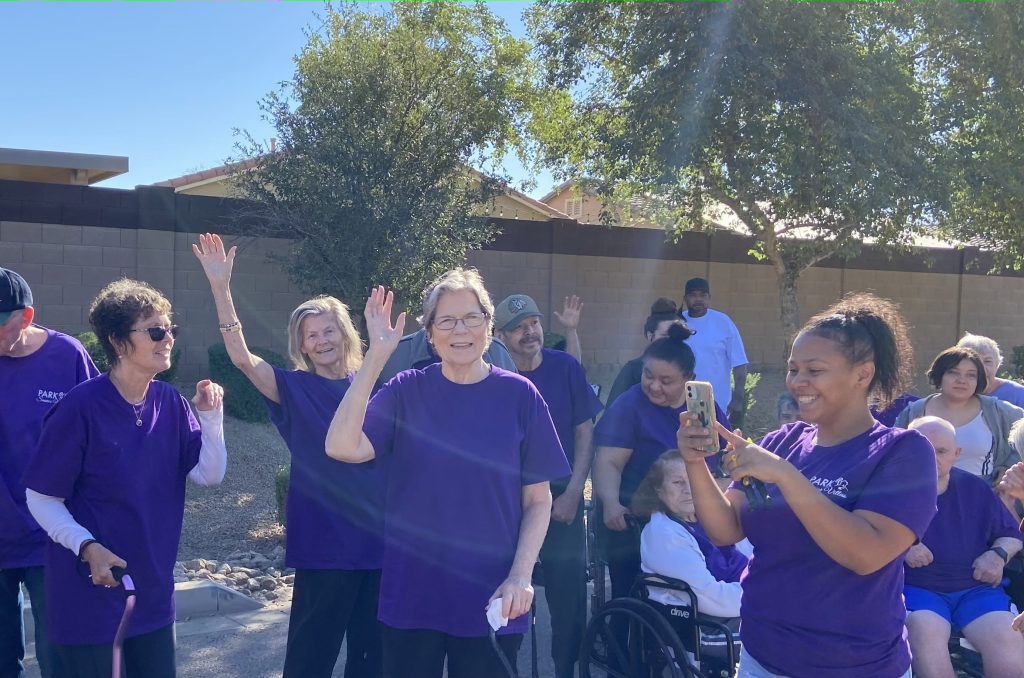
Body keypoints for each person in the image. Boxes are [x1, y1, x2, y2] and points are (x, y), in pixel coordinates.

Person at [325, 270, 570, 678]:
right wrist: (375, 358)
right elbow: (341, 446)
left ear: (489, 327)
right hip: (413, 594)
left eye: (472, 318)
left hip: (494, 595)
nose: (461, 330)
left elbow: (538, 499)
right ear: (431, 334)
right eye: (447, 321)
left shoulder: (519, 396)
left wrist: (521, 576)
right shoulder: (406, 390)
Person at [679, 292, 937, 678]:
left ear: (862, 374)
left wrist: (786, 476)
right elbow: (724, 531)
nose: (798, 382)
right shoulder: (781, 442)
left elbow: (866, 554)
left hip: (856, 666)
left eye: (814, 371)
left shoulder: (903, 452)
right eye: (793, 369)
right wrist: (695, 461)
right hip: (761, 658)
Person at [193, 233, 383, 678]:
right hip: (325, 548)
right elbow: (240, 357)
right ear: (302, 345)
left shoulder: (372, 386)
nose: (321, 341)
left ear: (345, 333)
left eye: (328, 330)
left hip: (379, 547)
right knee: (309, 660)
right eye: (311, 335)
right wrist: (221, 288)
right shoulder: (292, 388)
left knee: (374, 661)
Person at [22, 279, 227, 678]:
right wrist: (87, 547)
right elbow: (41, 497)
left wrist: (211, 417)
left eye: (170, 329)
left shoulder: (171, 402)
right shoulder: (79, 409)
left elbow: (209, 474)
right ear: (118, 342)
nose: (167, 338)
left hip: (152, 595)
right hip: (89, 598)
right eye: (155, 330)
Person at [493, 293, 603, 678]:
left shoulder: (566, 368)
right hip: (507, 508)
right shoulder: (493, 375)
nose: (529, 332)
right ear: (500, 336)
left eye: (534, 323)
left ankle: (567, 671)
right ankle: (505, 669)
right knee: (508, 597)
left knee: (568, 600)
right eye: (518, 328)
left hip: (561, 502)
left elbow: (585, 433)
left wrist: (575, 492)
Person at [0, 267, 99, 678]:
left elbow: (100, 434)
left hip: (54, 538)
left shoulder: (67, 356)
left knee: (63, 659)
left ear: (24, 318)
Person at [594, 323, 729, 598]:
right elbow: (608, 462)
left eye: (666, 381)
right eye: (648, 375)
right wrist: (610, 503)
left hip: (697, 518)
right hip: (641, 520)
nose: (654, 386)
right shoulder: (629, 405)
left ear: (688, 378)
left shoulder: (703, 406)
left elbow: (724, 459)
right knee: (632, 595)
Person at [902, 416, 1024, 678]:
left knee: (1008, 634)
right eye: (922, 448)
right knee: (923, 631)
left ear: (957, 454)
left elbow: (1011, 535)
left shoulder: (975, 488)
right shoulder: (887, 488)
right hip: (917, 589)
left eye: (941, 451)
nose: (931, 457)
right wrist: (900, 547)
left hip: (976, 590)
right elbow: (861, 536)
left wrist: (997, 555)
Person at [632, 450, 750, 625]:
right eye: (678, 482)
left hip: (744, 600)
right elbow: (709, 597)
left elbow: (752, 556)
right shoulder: (663, 534)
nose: (688, 489)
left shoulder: (711, 519)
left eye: (693, 481)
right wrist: (762, 596)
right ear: (659, 490)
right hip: (711, 622)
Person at [896, 346, 1023, 488]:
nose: (962, 380)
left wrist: (1009, 466)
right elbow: (894, 452)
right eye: (953, 372)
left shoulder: (997, 411)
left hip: (980, 499)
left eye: (971, 375)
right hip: (923, 495)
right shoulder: (914, 411)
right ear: (939, 375)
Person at [679, 278, 749, 427]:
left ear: (709, 298)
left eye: (703, 295)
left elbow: (739, 363)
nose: (698, 299)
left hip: (717, 402)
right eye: (693, 295)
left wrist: (738, 395)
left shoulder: (723, 322)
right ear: (685, 299)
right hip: (680, 400)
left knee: (715, 445)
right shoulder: (677, 323)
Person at [606, 298, 690, 408]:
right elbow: (613, 414)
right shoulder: (633, 370)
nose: (671, 341)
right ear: (650, 335)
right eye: (665, 335)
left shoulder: (685, 370)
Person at [957, 332, 1024, 408]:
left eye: (987, 361)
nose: (981, 367)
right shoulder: (953, 392)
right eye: (974, 360)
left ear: (997, 365)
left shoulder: (1019, 395)